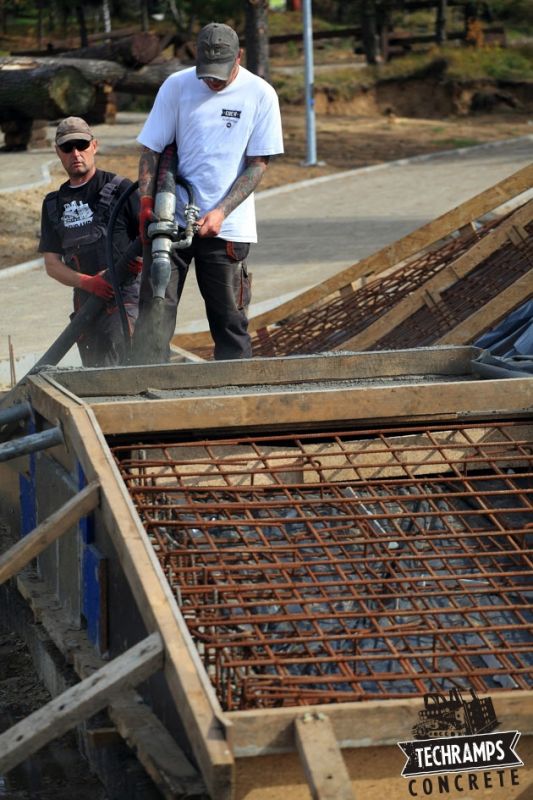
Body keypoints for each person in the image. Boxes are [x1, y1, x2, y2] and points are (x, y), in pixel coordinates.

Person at [135, 21, 284, 361]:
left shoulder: (260, 94)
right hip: (170, 220)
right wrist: (147, 203)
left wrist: (221, 211)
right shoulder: (177, 86)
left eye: (220, 73)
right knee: (154, 314)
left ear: (239, 57)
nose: (212, 81)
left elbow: (258, 163)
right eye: (207, 74)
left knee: (229, 319)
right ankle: (143, 390)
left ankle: (236, 399)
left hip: (227, 227)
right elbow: (151, 150)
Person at [39, 116, 141, 367]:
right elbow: (52, 264)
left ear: (94, 146)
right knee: (94, 375)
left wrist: (138, 261)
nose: (75, 153)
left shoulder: (122, 189)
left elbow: (150, 237)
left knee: (125, 371)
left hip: (124, 300)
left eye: (81, 145)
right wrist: (88, 283)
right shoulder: (52, 204)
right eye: (67, 147)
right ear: (58, 152)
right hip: (85, 304)